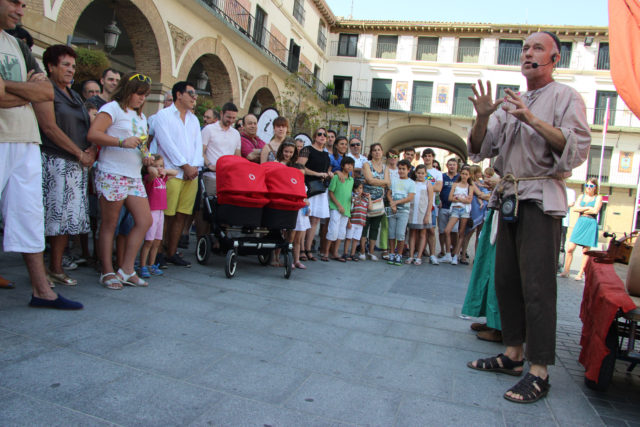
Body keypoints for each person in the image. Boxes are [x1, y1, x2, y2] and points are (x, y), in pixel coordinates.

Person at [466, 31, 591, 404]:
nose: (528, 53)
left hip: (541, 199)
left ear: (554, 59)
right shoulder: (509, 103)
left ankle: (539, 371)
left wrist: (532, 119)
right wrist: (484, 117)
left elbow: (577, 147)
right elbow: (480, 148)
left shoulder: (566, 97)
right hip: (509, 197)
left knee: (537, 286)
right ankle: (513, 354)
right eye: (524, 48)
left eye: (538, 48)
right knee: (505, 280)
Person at [0, 0, 82, 308]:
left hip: (25, 140)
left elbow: (45, 92)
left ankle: (41, 290)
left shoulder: (18, 46)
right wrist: (25, 93)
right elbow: (34, 93)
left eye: (24, 4)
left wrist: (8, 89)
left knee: (29, 217)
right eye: (14, 2)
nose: (21, 10)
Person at [33, 44, 96, 287]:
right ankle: (43, 270)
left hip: (76, 164)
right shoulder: (46, 89)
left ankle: (56, 268)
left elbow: (85, 126)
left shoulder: (74, 94)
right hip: (54, 160)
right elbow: (49, 127)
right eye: (65, 65)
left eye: (73, 66)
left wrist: (90, 149)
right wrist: (79, 153)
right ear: (50, 66)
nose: (71, 70)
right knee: (50, 218)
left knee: (66, 220)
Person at [87, 71, 154, 289]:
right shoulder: (112, 108)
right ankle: (107, 271)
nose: (141, 98)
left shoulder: (141, 116)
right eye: (138, 93)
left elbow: (140, 142)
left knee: (145, 221)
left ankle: (126, 270)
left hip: (133, 175)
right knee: (110, 224)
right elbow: (94, 134)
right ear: (128, 90)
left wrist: (146, 155)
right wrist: (120, 141)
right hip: (112, 172)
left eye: (144, 95)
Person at [154, 81, 204, 268]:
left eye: (195, 94)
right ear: (178, 94)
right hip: (172, 173)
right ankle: (157, 253)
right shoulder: (163, 116)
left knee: (182, 215)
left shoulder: (193, 120)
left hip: (191, 175)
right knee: (166, 215)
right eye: (191, 93)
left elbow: (197, 146)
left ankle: (171, 252)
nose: (194, 97)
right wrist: (185, 166)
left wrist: (194, 167)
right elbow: (166, 144)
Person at [138, 154, 177, 278]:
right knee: (148, 241)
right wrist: (152, 168)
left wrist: (163, 170)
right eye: (156, 166)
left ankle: (152, 264)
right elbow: (153, 174)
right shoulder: (149, 178)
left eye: (161, 165)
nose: (159, 168)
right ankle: (143, 265)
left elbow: (175, 173)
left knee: (157, 241)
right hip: (152, 211)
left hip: (161, 211)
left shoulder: (163, 178)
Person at [298, 127, 332, 261]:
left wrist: (329, 174)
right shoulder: (307, 150)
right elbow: (300, 167)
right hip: (308, 188)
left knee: (316, 219)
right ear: (314, 136)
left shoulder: (325, 154)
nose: (323, 136)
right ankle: (300, 249)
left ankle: (308, 249)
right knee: (304, 218)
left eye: (325, 135)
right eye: (320, 134)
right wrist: (317, 174)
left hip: (321, 189)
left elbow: (326, 169)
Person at [559, 178, 602, 280]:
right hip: (580, 222)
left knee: (585, 251)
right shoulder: (581, 196)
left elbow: (595, 211)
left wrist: (584, 209)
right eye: (587, 186)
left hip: (590, 223)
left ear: (595, 187)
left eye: (591, 186)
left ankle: (580, 273)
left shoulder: (598, 197)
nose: (588, 188)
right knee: (570, 248)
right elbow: (575, 208)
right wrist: (588, 208)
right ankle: (566, 271)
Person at [360, 143, 390, 260]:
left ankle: (371, 252)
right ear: (371, 153)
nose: (377, 152)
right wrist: (381, 181)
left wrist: (374, 180)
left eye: (379, 150)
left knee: (375, 227)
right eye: (374, 150)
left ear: (382, 152)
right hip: (366, 200)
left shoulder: (385, 168)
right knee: (364, 226)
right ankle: (362, 251)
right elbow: (369, 180)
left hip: (379, 201)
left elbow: (388, 182)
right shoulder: (367, 164)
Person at [441, 166, 473, 265]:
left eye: (466, 174)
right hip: (455, 209)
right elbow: (450, 197)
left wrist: (458, 198)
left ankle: (455, 255)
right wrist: (463, 199)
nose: (464, 176)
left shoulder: (470, 186)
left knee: (461, 233)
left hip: (465, 211)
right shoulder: (455, 184)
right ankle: (448, 254)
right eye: (462, 174)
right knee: (447, 230)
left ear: (469, 176)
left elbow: (469, 200)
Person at [325, 156, 355, 262]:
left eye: (351, 164)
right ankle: (326, 253)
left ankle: (335, 253)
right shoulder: (336, 177)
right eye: (347, 164)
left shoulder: (351, 180)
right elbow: (331, 192)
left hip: (346, 210)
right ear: (342, 165)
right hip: (335, 208)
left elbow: (349, 195)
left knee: (341, 232)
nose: (349, 166)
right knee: (333, 229)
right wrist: (338, 205)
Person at [386, 159, 415, 265]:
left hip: (404, 211)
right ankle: (392, 253)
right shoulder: (394, 180)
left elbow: (410, 197)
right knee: (391, 233)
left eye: (403, 169)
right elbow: (389, 193)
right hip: (392, 210)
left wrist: (396, 202)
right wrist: (391, 203)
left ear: (408, 170)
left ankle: (399, 254)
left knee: (400, 234)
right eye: (400, 169)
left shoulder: (411, 183)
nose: (401, 171)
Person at [407, 164, 434, 265]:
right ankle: (411, 255)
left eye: (423, 173)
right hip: (413, 212)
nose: (420, 175)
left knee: (423, 233)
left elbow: (430, 200)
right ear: (415, 173)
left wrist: (427, 214)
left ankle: (419, 256)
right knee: (412, 233)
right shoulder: (412, 183)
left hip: (423, 212)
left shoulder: (428, 184)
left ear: (426, 174)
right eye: (418, 173)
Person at [422, 149, 443, 262]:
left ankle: (432, 254)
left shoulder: (437, 173)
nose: (427, 158)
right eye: (425, 156)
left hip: (431, 205)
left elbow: (438, 188)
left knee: (431, 230)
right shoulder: (419, 170)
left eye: (429, 156)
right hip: (419, 204)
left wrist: (424, 185)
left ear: (433, 157)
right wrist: (430, 186)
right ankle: (418, 252)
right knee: (418, 231)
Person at [438, 158, 459, 259]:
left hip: (455, 208)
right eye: (450, 165)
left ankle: (454, 250)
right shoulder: (442, 177)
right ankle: (442, 250)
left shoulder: (459, 177)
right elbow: (438, 190)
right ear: (447, 166)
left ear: (457, 166)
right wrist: (439, 201)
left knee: (454, 231)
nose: (452, 166)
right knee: (442, 231)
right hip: (444, 207)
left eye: (454, 165)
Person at [290, 164, 310, 269]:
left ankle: (296, 260)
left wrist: (307, 205)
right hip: (294, 213)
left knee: (298, 239)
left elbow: (305, 198)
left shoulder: (304, 185)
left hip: (301, 214)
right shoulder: (290, 184)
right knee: (290, 238)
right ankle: (288, 260)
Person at [344, 180, 369, 261]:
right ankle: (345, 253)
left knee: (356, 239)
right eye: (357, 188)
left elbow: (370, 207)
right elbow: (349, 209)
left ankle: (352, 254)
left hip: (361, 223)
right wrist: (348, 221)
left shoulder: (365, 199)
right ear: (353, 189)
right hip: (352, 222)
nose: (359, 190)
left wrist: (369, 197)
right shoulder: (353, 198)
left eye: (361, 188)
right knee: (348, 238)